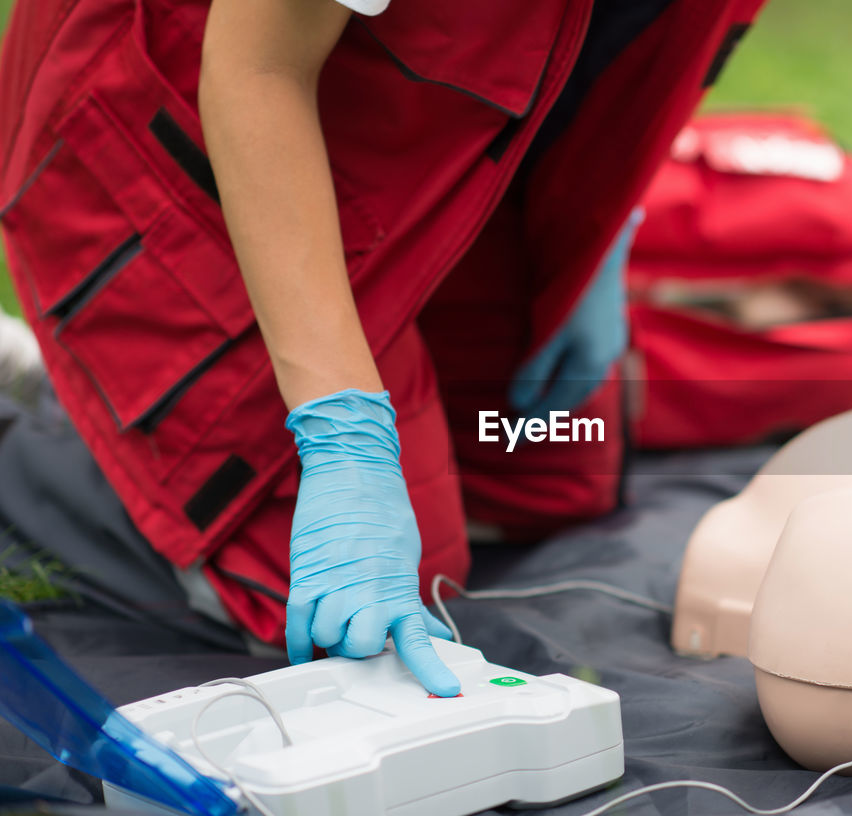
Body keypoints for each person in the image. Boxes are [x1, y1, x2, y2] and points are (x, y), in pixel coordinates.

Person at [0, 0, 764, 694]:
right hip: (186, 115)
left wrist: (608, 236)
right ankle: (67, 411)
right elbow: (257, 69)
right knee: (358, 613)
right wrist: (344, 440)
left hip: (414, 126)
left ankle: (127, 412)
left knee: (556, 471)